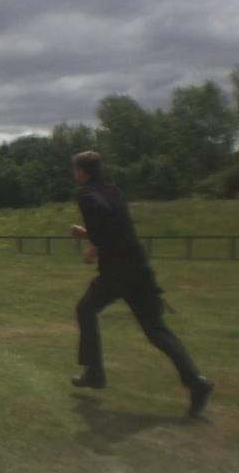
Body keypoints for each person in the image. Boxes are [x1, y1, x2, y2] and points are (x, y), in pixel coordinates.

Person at [69, 151, 213, 417]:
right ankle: (197, 382)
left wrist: (94, 246)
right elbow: (118, 225)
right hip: (139, 268)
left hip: (116, 273)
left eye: (75, 169)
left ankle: (95, 373)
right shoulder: (112, 190)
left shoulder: (87, 195)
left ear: (83, 172)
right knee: (156, 330)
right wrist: (90, 235)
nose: (74, 174)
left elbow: (105, 224)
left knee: (85, 310)